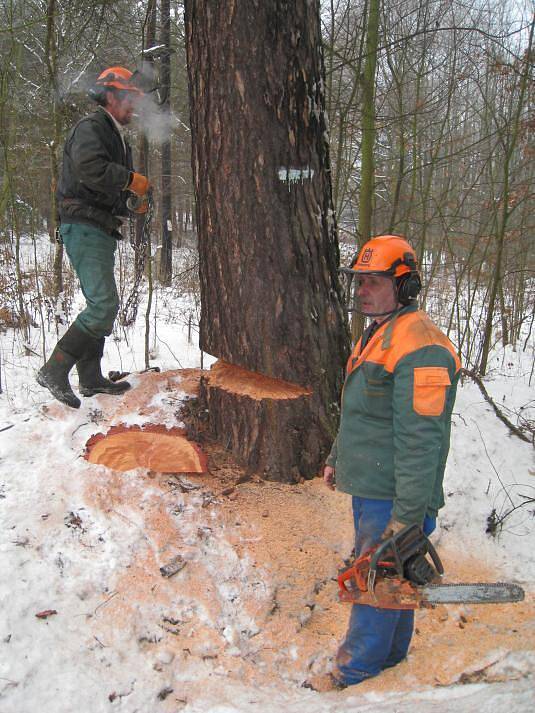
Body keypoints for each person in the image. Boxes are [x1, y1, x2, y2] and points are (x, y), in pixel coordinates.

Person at [324, 234, 461, 688]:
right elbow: (361, 409)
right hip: (373, 486)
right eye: (359, 281)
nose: (362, 290)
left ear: (406, 286)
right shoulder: (381, 332)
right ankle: (391, 660)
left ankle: (356, 671)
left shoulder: (419, 346)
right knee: (396, 578)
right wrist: (336, 457)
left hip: (395, 493)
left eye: (374, 282)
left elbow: (422, 441)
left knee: (378, 576)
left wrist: (404, 521)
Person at [37, 66, 150, 409]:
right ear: (112, 96)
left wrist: (132, 204)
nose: (134, 108)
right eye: (129, 100)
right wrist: (131, 179)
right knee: (103, 304)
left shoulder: (114, 135)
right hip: (83, 225)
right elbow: (91, 170)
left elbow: (105, 187)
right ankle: (54, 371)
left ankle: (90, 377)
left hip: (97, 225)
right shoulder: (92, 128)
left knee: (101, 304)